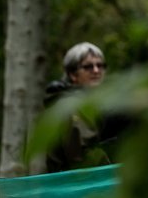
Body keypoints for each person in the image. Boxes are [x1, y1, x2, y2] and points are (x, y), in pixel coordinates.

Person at [44, 42, 118, 172]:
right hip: (81, 186)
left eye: (100, 65)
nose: (96, 71)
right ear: (73, 74)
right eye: (88, 66)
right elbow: (85, 159)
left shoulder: (95, 104)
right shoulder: (69, 106)